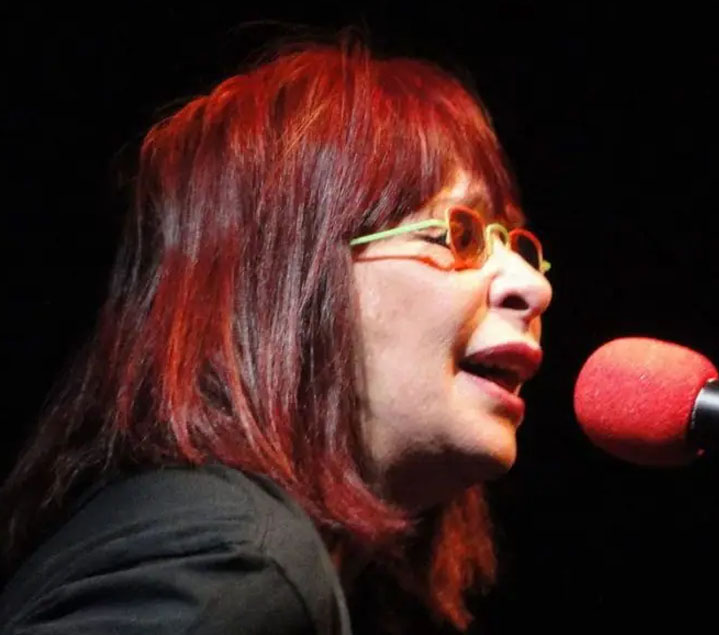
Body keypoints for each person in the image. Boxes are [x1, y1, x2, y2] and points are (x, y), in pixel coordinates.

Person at [0, 35, 552, 634]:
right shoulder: (239, 566)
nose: (533, 285)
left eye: (513, 242)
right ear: (290, 277)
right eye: (460, 234)